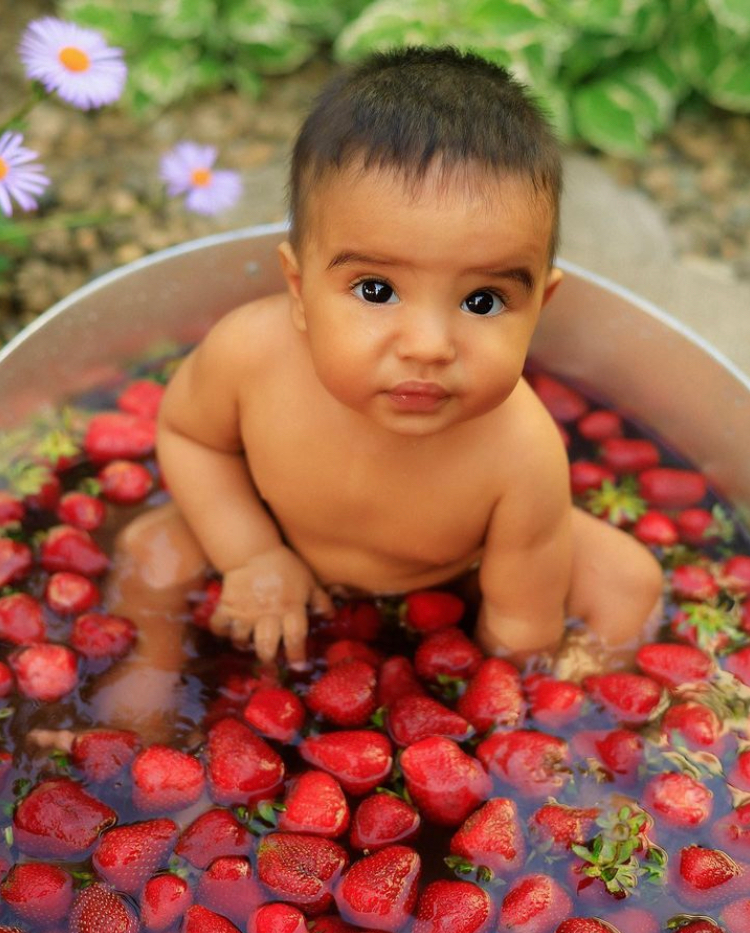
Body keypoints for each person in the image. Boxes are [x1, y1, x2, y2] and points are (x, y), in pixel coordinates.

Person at [84, 46, 663, 741]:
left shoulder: (522, 450)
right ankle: (151, 673)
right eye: (377, 290)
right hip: (272, 529)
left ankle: (574, 725)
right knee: (153, 547)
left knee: (628, 579)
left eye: (483, 300)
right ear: (299, 290)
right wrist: (252, 554)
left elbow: (519, 620)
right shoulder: (249, 354)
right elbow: (189, 436)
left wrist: (501, 705)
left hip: (454, 576)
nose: (428, 343)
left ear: (542, 301)